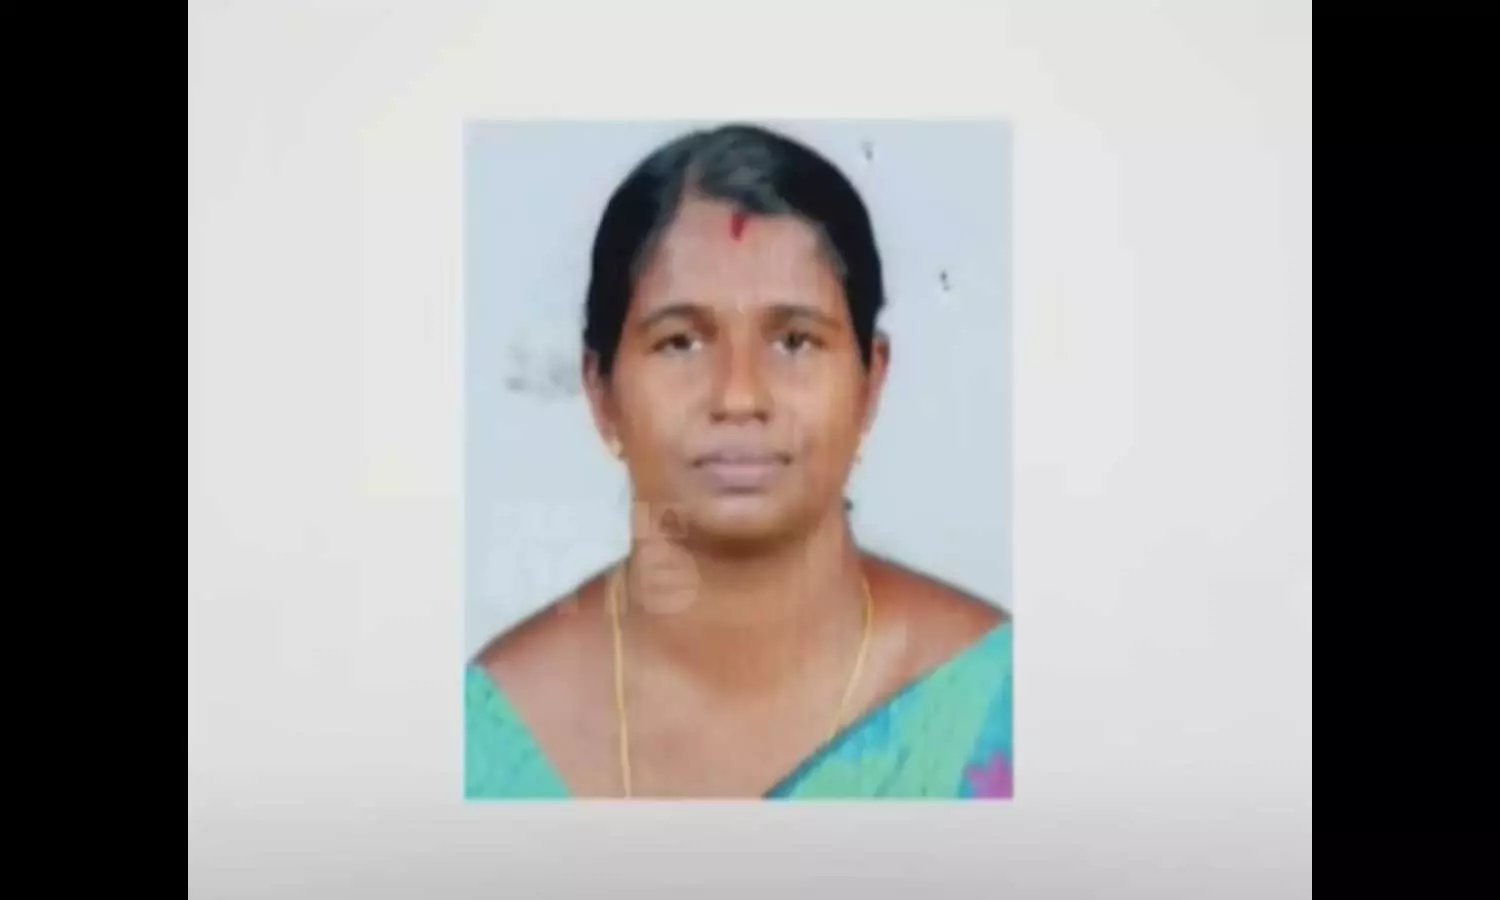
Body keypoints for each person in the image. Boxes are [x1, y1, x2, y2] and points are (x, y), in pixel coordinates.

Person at [465, 123, 1012, 799]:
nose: (739, 396)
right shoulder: (490, 739)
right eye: (680, 343)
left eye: (795, 341)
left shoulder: (996, 704)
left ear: (871, 383)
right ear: (600, 391)